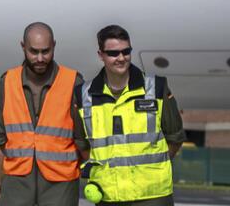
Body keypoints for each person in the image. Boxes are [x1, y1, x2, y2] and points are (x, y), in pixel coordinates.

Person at [74, 25, 185, 206]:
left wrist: (152, 170)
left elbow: (175, 137)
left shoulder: (156, 88)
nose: (121, 58)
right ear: (101, 55)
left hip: (153, 196)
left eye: (126, 51)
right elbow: (82, 145)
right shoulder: (83, 96)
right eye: (113, 53)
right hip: (109, 196)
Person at [0, 22, 84, 206]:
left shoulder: (73, 82)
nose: (40, 58)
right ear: (23, 47)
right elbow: (0, 140)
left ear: (54, 46)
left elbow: (83, 140)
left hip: (61, 185)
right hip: (16, 183)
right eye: (33, 52)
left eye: (46, 51)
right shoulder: (7, 82)